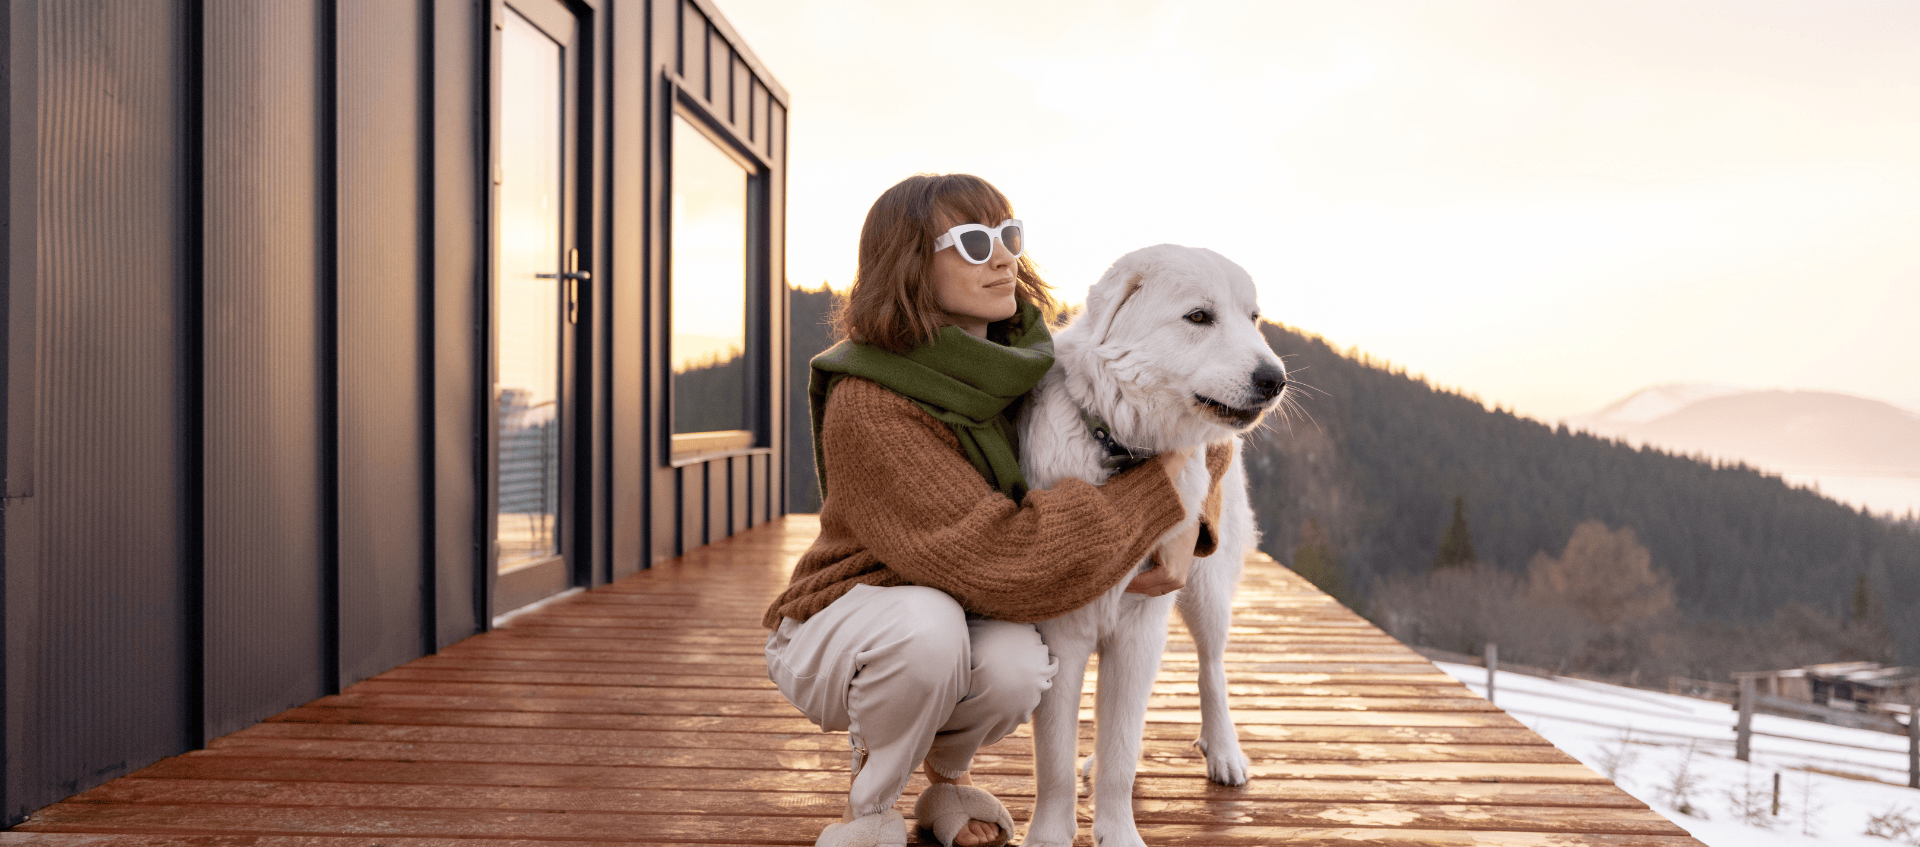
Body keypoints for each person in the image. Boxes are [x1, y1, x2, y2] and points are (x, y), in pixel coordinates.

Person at [762, 173, 1227, 847]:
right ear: (910, 266)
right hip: (847, 617)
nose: (1004, 256)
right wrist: (1160, 494)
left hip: (957, 608)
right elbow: (1006, 559)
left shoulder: (1029, 361)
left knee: (1019, 661)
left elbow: (1191, 416)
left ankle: (946, 779)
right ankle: (870, 806)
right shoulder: (871, 404)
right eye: (975, 241)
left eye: (1010, 235)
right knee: (927, 627)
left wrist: (1193, 520)